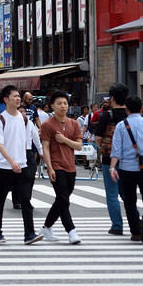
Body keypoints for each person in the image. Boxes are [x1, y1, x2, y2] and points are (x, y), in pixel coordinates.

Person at [0, 85, 43, 245]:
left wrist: (34, 155)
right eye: (14, 96)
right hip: (3, 168)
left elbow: (28, 140)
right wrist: (11, 161)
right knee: (0, 199)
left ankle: (30, 233)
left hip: (22, 166)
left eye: (19, 96)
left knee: (25, 200)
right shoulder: (1, 120)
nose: (18, 98)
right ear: (6, 100)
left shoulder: (24, 118)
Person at [110, 95, 143, 243]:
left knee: (130, 201)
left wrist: (112, 168)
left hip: (127, 169)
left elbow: (116, 150)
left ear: (127, 109)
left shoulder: (120, 125)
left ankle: (136, 233)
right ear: (142, 109)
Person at [39, 91, 83, 244]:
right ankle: (72, 231)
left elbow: (79, 146)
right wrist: (49, 167)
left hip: (71, 166)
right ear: (52, 106)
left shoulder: (74, 123)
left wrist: (64, 140)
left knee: (62, 200)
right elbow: (45, 147)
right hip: (56, 166)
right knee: (64, 200)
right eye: (59, 103)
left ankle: (46, 227)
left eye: (65, 103)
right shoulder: (47, 125)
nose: (63, 106)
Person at [95, 83, 130, 235]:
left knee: (112, 194)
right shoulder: (130, 115)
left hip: (109, 159)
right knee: (128, 194)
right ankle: (135, 222)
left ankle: (117, 226)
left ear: (113, 98)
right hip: (129, 161)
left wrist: (103, 146)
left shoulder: (106, 115)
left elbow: (97, 137)